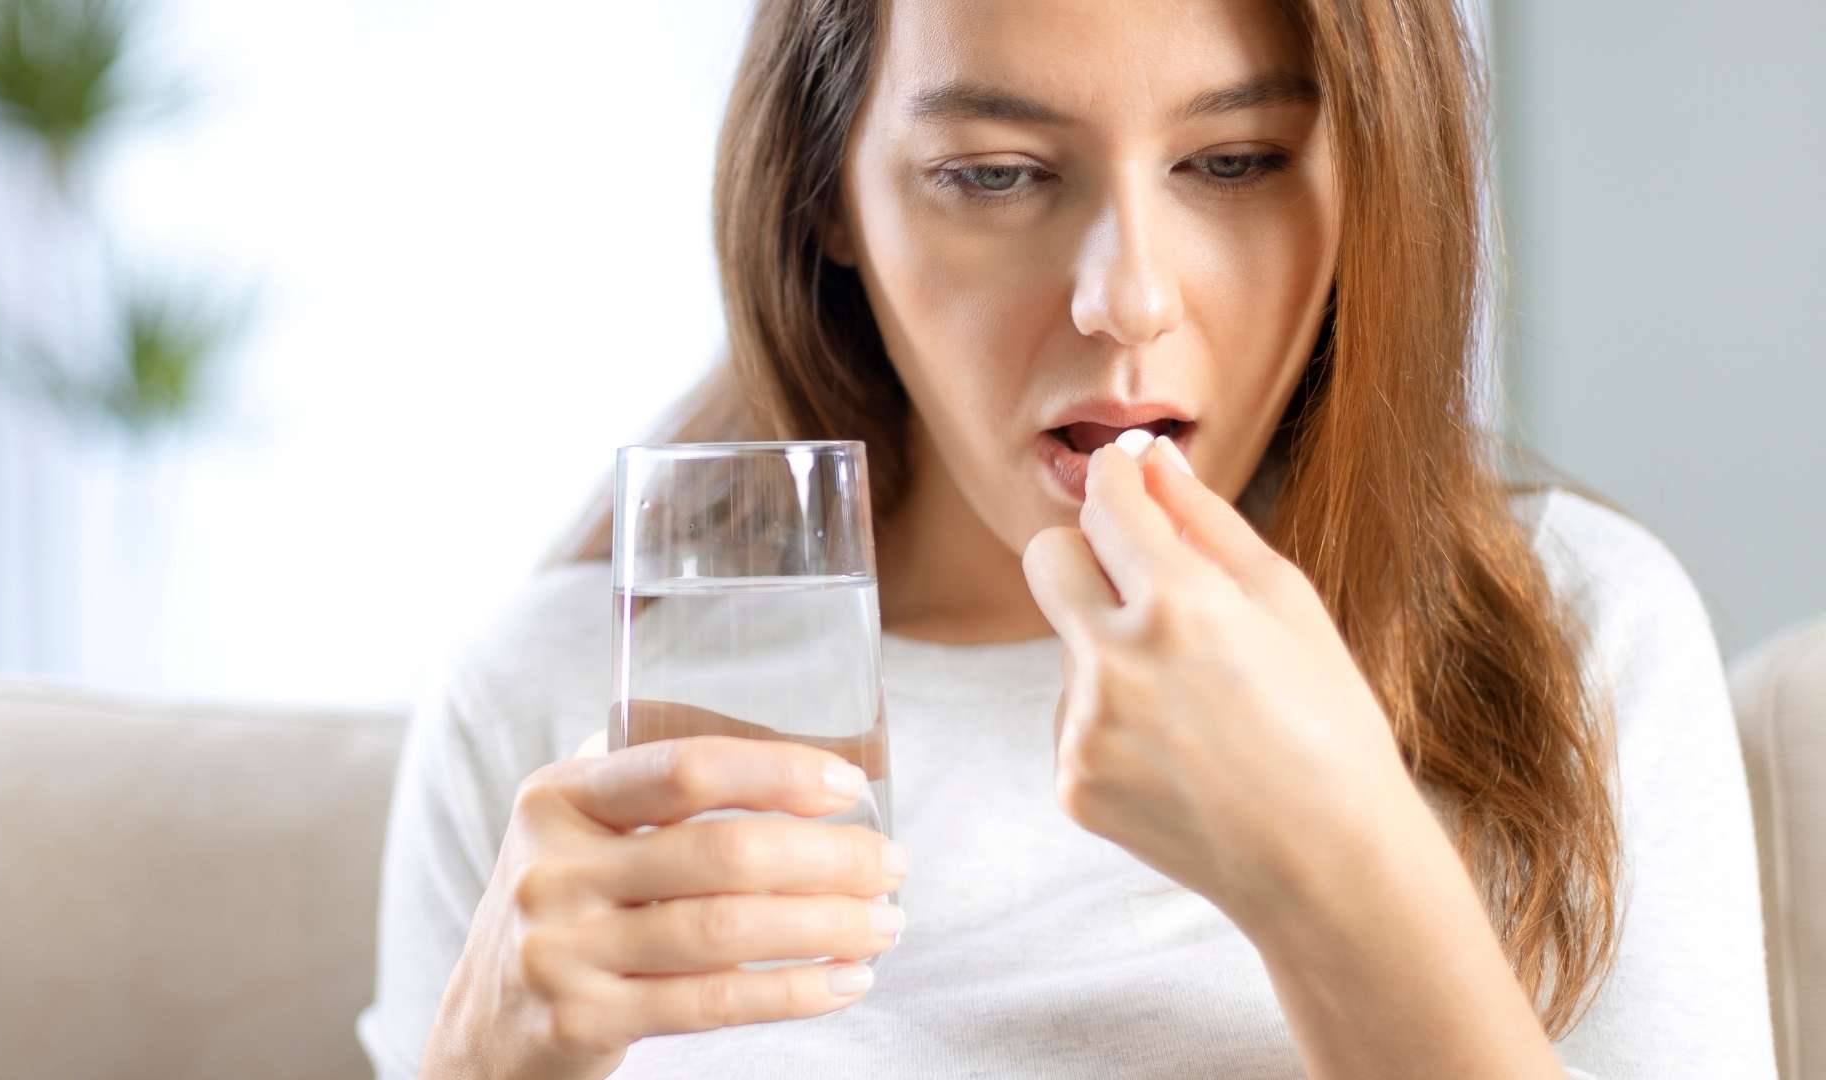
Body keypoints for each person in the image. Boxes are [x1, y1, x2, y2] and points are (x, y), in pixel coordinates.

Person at [357, 1, 1778, 1076]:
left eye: (1234, 160)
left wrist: (1337, 876)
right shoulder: (558, 701)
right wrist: (484, 1060)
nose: (1128, 298)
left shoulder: (1573, 629)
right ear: (825, 195)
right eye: (995, 173)